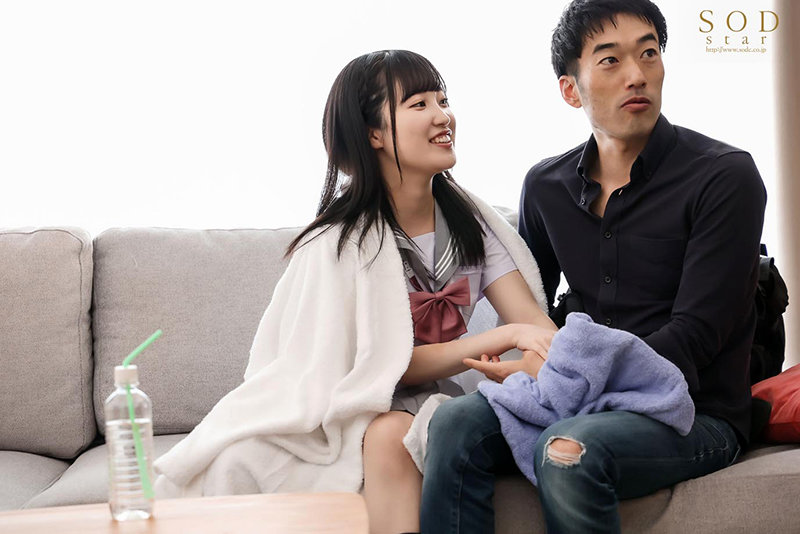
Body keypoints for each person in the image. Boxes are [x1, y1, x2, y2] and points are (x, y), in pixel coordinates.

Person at [153, 50, 557, 534]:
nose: (442, 116)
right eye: (419, 104)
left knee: (396, 431)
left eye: (443, 100)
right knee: (251, 459)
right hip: (348, 399)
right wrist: (502, 337)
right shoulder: (341, 242)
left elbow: (533, 324)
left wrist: (535, 355)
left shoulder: (471, 223)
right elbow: (384, 364)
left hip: (434, 399)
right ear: (374, 135)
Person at [420, 1, 767, 533]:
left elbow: (695, 338)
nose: (637, 74)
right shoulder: (546, 187)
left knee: (569, 450)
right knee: (452, 423)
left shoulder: (725, 177)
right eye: (610, 60)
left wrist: (565, 374)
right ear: (570, 89)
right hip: (574, 394)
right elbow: (531, 310)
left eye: (648, 53)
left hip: (694, 411)